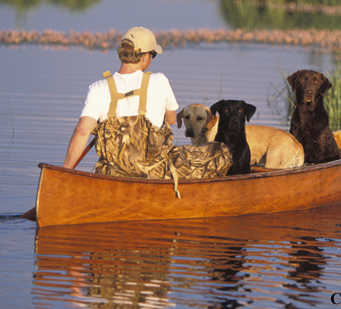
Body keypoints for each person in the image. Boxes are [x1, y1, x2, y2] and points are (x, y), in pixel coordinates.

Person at [63, 26, 232, 188]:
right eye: (153, 55)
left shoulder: (98, 87)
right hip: (156, 173)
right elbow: (172, 120)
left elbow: (82, 132)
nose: (151, 59)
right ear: (144, 56)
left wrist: (65, 172)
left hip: (112, 174)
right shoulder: (159, 80)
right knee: (221, 151)